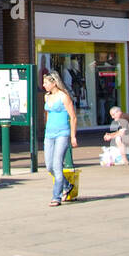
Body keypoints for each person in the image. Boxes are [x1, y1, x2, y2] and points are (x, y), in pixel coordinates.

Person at [42, 71, 78, 205]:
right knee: (49, 166)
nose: (44, 85)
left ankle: (56, 196)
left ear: (54, 83)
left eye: (46, 82)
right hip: (49, 134)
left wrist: (73, 136)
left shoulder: (64, 97)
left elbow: (73, 117)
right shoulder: (46, 97)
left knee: (57, 165)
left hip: (62, 133)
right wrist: (46, 128)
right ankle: (67, 186)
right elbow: (47, 114)